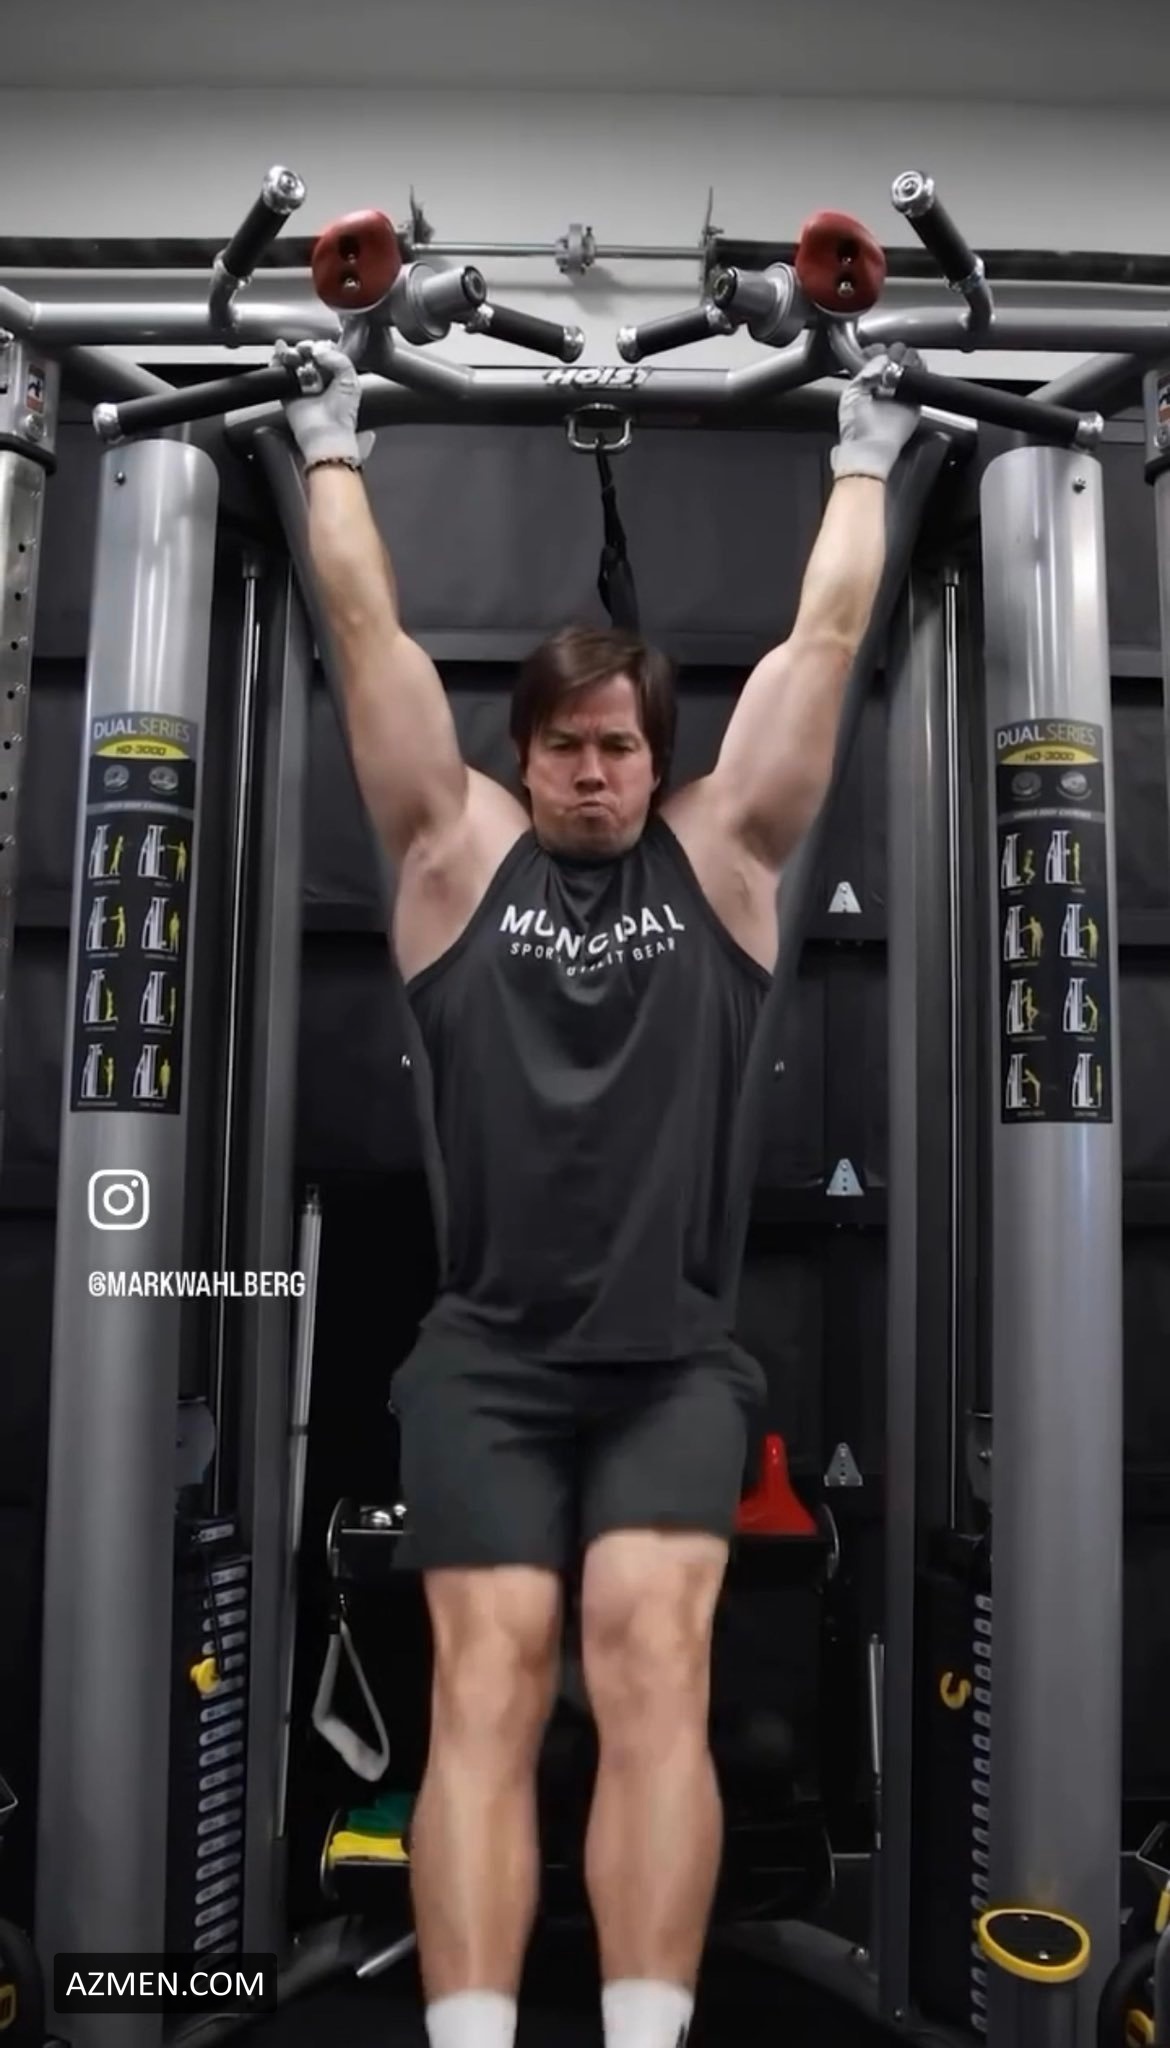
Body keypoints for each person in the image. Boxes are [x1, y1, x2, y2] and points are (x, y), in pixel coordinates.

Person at [281, 339, 919, 2048]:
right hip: (485, 1362)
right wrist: (329, 442)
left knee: (652, 1674)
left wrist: (864, 452)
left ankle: (643, 2034)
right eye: (561, 746)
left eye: (617, 747)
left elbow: (822, 645)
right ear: (521, 755)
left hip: (668, 1368)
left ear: (656, 757)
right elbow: (367, 639)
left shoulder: (723, 859)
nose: (589, 772)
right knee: (484, 1690)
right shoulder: (452, 857)